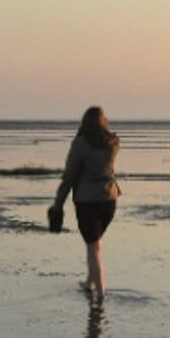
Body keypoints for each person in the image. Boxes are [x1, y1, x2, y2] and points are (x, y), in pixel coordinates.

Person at [51, 106, 121, 298]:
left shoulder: (80, 143)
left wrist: (58, 204)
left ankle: (100, 293)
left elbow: (70, 176)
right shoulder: (113, 143)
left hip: (87, 200)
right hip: (109, 199)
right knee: (95, 243)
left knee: (93, 246)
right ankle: (90, 282)